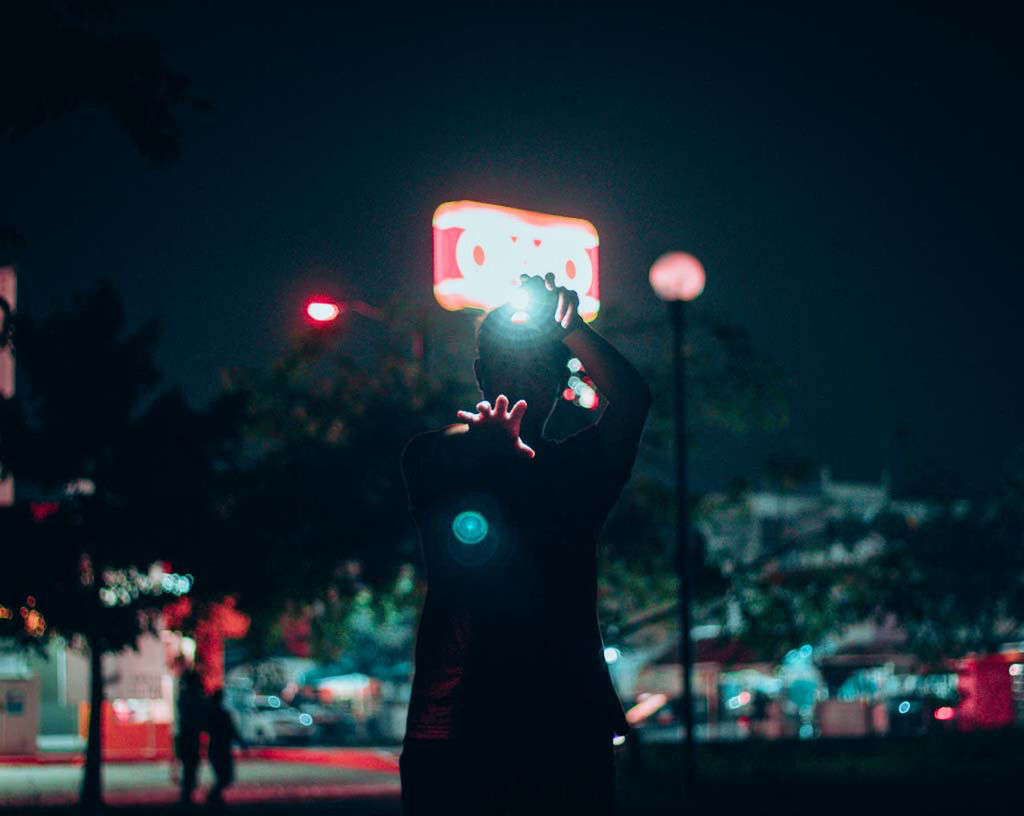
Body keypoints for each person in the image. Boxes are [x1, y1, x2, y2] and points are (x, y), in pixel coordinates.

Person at [400, 274, 651, 814]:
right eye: (509, 363)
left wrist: (572, 327)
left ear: (560, 380)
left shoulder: (577, 470)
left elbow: (632, 398)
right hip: (462, 723)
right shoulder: (439, 459)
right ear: (481, 373)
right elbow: (434, 458)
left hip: (561, 719)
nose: (523, 377)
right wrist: (484, 449)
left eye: (537, 365)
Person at [205, 688, 245, 807]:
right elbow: (232, 730)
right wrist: (241, 743)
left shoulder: (212, 714)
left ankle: (214, 797)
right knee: (225, 776)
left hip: (216, 748)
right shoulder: (222, 714)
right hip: (222, 748)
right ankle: (213, 797)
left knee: (223, 776)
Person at [174, 669, 205, 805]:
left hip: (186, 735)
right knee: (191, 766)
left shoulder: (184, 696)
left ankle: (187, 795)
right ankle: (187, 795)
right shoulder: (192, 696)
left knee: (189, 766)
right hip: (190, 735)